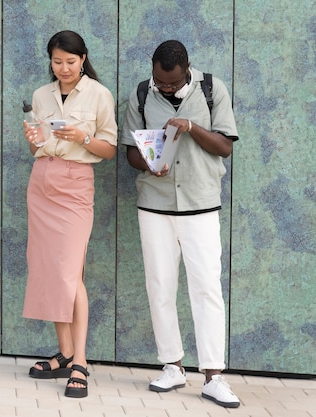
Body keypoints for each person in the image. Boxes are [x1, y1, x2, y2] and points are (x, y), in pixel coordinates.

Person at [121, 40, 240, 408]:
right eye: (160, 81)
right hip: (154, 205)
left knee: (206, 289)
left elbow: (225, 146)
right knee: (160, 287)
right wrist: (150, 164)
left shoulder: (211, 89)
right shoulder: (141, 94)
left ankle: (213, 377)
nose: (165, 87)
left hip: (201, 205)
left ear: (187, 68)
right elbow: (130, 152)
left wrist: (190, 127)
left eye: (171, 83)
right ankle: (172, 366)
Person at [22, 30, 117, 398]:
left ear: (83, 59)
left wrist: (82, 138)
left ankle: (81, 360)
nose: (64, 68)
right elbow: (36, 141)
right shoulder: (41, 95)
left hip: (76, 184)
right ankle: (64, 353)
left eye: (71, 62)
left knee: (69, 272)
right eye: (57, 61)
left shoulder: (99, 94)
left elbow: (108, 149)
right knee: (48, 269)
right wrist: (34, 140)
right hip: (42, 180)